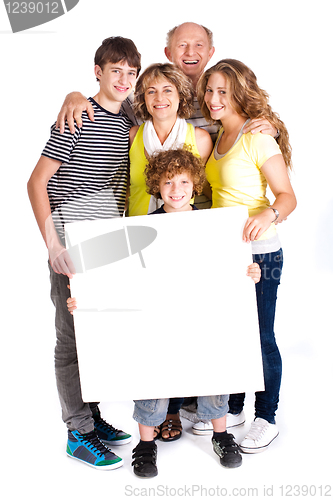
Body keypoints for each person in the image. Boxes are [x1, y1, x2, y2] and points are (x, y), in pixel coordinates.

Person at [67, 147, 262, 477]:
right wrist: (86, 299)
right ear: (157, 186)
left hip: (201, 316)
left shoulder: (214, 224)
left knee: (215, 368)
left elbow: (227, 268)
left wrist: (249, 274)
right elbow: (119, 275)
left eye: (184, 181)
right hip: (157, 319)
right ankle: (145, 445)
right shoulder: (141, 228)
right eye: (168, 182)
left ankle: (221, 434)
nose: (176, 189)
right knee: (151, 375)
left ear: (195, 185)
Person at [27, 37, 142, 470]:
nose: (124, 80)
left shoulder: (131, 117)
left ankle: (92, 417)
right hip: (70, 239)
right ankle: (77, 431)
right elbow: (35, 184)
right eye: (116, 71)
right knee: (70, 338)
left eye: (131, 73)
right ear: (98, 70)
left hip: (108, 236)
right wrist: (52, 245)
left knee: (98, 332)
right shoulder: (76, 117)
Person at [196, 58, 297, 452]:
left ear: (239, 93)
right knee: (232, 333)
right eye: (210, 90)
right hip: (227, 253)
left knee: (260, 336)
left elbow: (288, 197)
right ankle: (234, 407)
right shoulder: (217, 137)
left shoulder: (258, 137)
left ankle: (266, 416)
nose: (214, 98)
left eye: (223, 91)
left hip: (261, 252)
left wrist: (268, 213)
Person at [127, 62, 213, 217]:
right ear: (143, 99)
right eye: (151, 92)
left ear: (180, 95)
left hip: (183, 228)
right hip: (137, 228)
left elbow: (207, 190)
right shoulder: (133, 136)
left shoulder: (200, 139)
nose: (159, 98)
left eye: (167, 90)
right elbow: (123, 188)